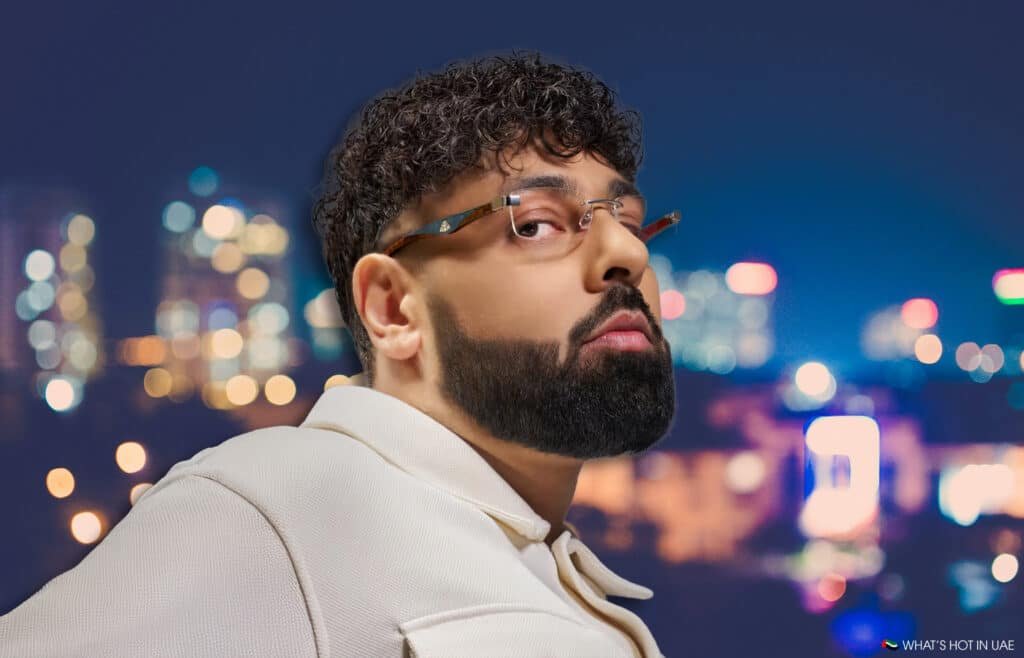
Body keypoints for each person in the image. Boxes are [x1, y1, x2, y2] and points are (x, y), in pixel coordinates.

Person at [0, 52, 679, 657]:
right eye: (535, 224)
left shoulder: (527, 552)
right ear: (392, 308)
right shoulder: (282, 509)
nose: (628, 254)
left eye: (627, 221)